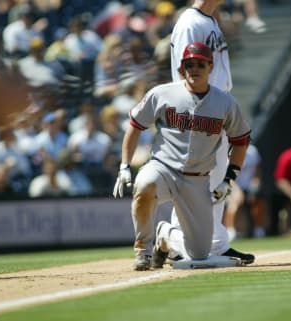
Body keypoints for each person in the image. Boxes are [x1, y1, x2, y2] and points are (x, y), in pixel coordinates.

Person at [113, 42, 250, 270]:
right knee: (145, 184)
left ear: (210, 67)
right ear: (181, 68)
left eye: (200, 64)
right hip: (163, 168)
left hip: (197, 179)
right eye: (189, 64)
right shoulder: (162, 93)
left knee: (199, 254)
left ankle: (165, 234)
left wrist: (229, 179)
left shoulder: (225, 102)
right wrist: (124, 165)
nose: (194, 69)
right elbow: (135, 126)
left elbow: (240, 141)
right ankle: (143, 251)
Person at [168, 0, 254, 264]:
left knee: (217, 179)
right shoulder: (190, 22)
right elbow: (186, 71)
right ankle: (174, 238)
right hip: (200, 111)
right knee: (195, 180)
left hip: (217, 105)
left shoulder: (209, 20)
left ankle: (214, 243)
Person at [224, 143, 266, 240]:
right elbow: (227, 176)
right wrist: (237, 190)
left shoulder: (253, 151)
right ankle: (230, 231)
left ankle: (258, 230)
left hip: (249, 186)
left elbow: (257, 170)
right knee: (234, 201)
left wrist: (256, 181)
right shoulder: (228, 153)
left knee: (257, 200)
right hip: (232, 185)